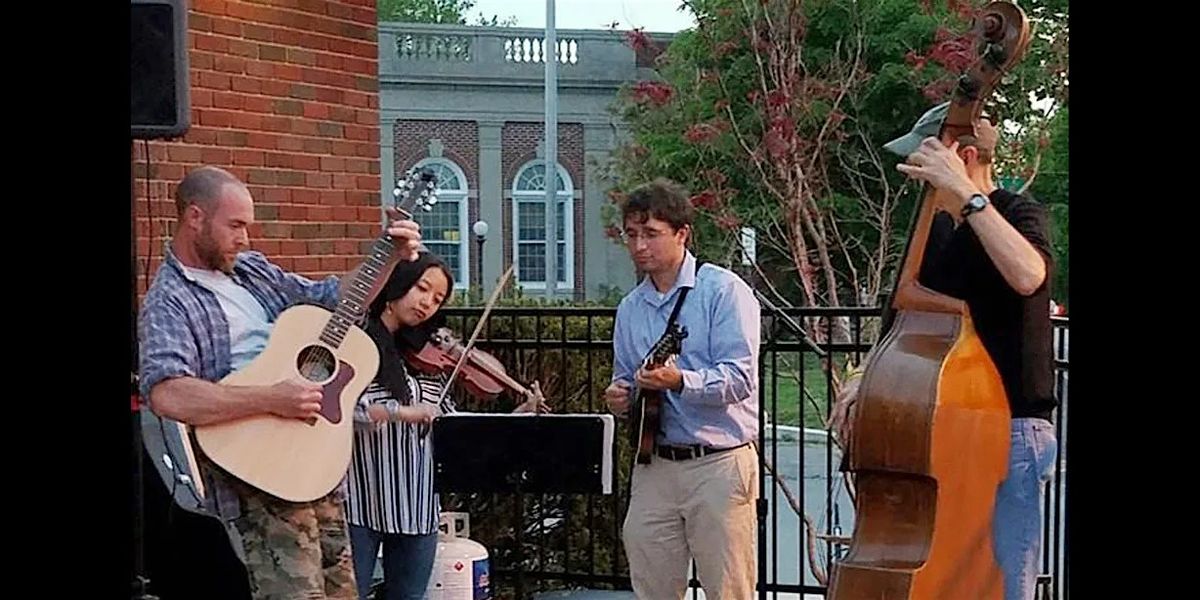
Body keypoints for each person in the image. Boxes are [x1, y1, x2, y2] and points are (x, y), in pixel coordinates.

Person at [137, 165, 423, 600]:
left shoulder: (251, 270)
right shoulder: (169, 301)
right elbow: (167, 392)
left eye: (247, 226)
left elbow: (335, 301)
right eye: (234, 225)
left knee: (343, 591)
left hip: (314, 459)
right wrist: (273, 399)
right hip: (257, 468)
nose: (245, 238)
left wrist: (387, 257)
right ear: (194, 217)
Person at [883, 102, 1059, 600]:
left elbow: (1028, 275)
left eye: (926, 158)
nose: (919, 173)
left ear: (960, 153)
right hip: (948, 429)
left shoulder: (1016, 212)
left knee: (1005, 585)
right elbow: (910, 321)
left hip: (1012, 430)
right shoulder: (939, 234)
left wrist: (964, 192)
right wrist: (863, 381)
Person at [345, 251, 548, 600]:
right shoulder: (357, 342)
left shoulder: (426, 356)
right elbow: (344, 409)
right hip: (362, 498)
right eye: (422, 289)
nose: (427, 304)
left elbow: (451, 425)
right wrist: (403, 413)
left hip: (419, 501)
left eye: (437, 299)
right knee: (350, 594)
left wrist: (516, 419)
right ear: (399, 282)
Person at [603, 178, 761, 600]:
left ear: (682, 234)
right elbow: (626, 379)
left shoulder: (723, 292)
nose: (639, 246)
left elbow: (741, 379)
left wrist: (682, 380)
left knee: (728, 589)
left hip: (719, 462)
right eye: (631, 235)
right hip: (654, 463)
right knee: (650, 581)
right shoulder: (630, 308)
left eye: (651, 234)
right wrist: (620, 396)